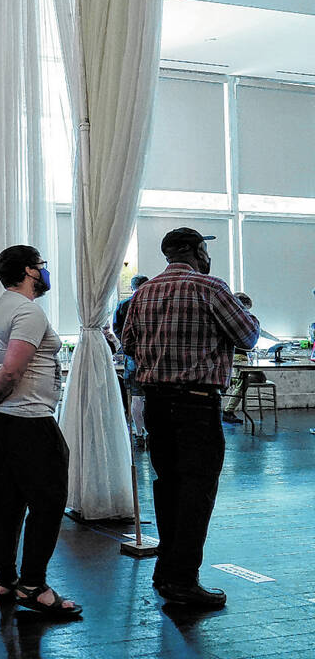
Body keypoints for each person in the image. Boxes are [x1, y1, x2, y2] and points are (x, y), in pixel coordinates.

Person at [121, 228, 259, 609]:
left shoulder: (142, 293)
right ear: (199, 252)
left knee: (168, 487)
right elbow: (248, 337)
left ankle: (166, 571)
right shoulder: (212, 288)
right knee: (197, 491)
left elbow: (127, 342)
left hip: (156, 403)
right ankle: (183, 580)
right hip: (197, 403)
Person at [0, 245, 81, 619]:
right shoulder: (28, 311)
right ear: (30, 271)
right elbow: (11, 369)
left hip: (7, 418)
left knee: (9, 499)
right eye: (42, 267)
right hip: (28, 418)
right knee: (48, 502)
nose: (46, 273)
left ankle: (4, 580)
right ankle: (33, 586)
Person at [115, 275, 149, 446]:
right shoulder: (154, 301)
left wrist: (129, 349)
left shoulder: (124, 304)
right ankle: (153, 432)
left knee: (136, 397)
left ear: (131, 286)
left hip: (133, 358)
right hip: (154, 357)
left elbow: (118, 330)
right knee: (155, 397)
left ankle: (139, 432)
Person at [221, 293, 266, 424]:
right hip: (238, 357)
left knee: (260, 378)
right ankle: (228, 411)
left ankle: (227, 383)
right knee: (243, 382)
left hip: (239, 356)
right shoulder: (237, 320)